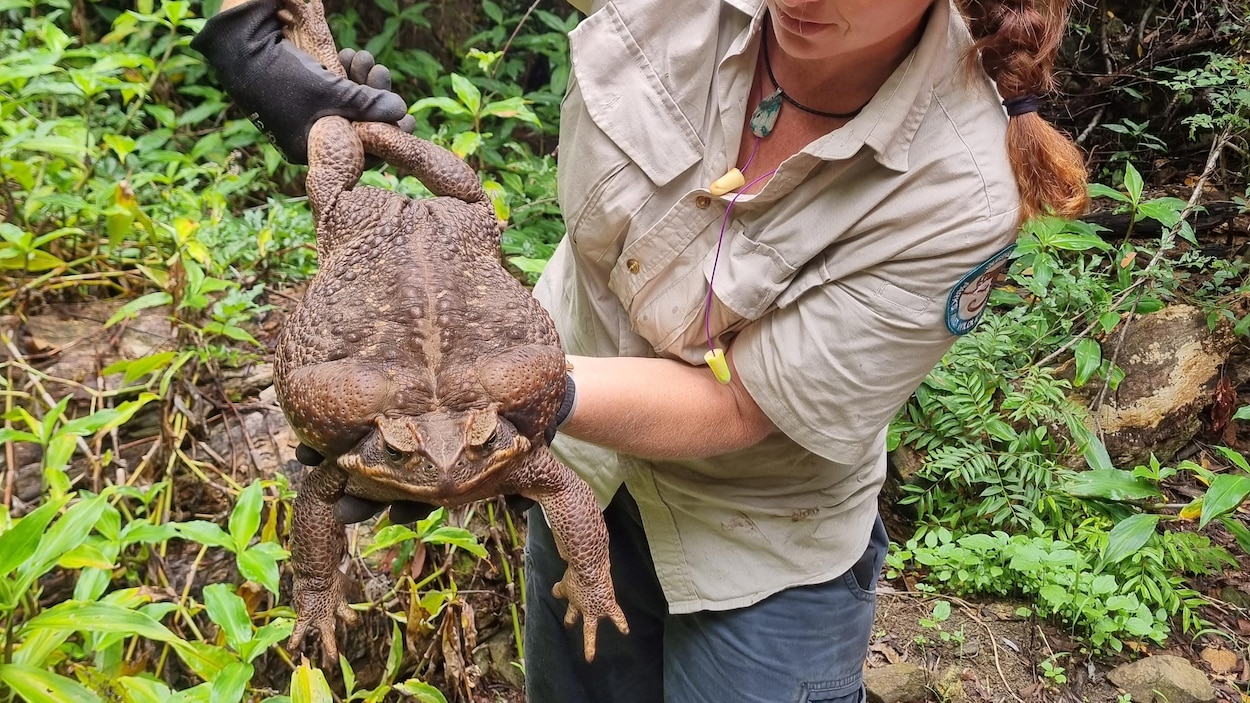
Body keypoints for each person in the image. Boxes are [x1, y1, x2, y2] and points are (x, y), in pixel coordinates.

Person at [193, 0, 1088, 700]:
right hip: (579, 472)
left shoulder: (962, 191)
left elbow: (743, 406)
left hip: (754, 543)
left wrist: (479, 405)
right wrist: (266, 33)